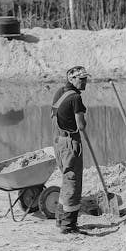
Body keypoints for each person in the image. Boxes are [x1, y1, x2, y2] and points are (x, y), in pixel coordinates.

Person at [51, 65, 90, 234]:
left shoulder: (60, 92)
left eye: (85, 79)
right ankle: (68, 226)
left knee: (66, 180)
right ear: (71, 79)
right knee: (73, 183)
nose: (85, 82)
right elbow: (81, 125)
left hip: (58, 141)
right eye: (81, 79)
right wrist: (83, 121)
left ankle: (60, 220)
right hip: (70, 143)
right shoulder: (75, 98)